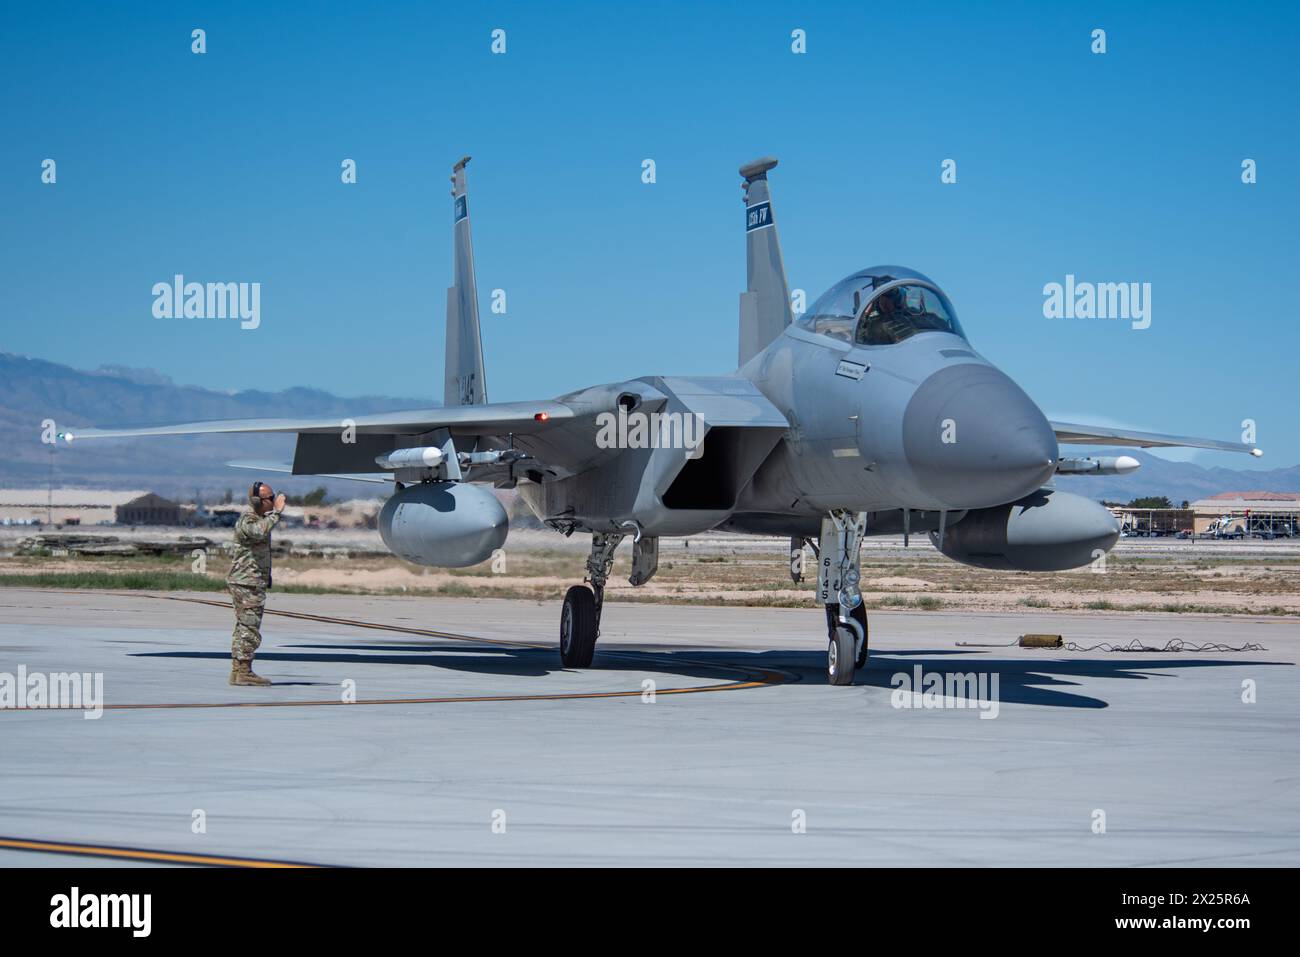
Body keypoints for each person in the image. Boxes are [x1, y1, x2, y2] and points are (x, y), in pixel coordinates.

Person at [227, 481, 285, 686]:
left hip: (251, 582)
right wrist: (276, 513)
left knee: (244, 626)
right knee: (249, 627)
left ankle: (238, 670)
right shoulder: (248, 521)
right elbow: (259, 532)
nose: (273, 501)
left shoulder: (258, 519)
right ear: (257, 501)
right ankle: (244, 670)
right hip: (247, 583)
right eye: (270, 498)